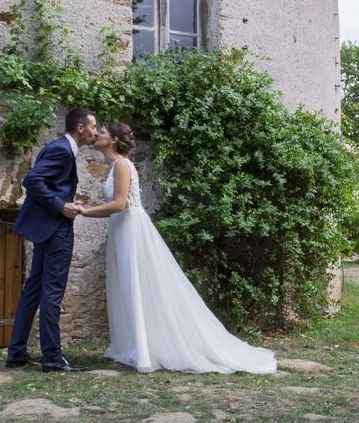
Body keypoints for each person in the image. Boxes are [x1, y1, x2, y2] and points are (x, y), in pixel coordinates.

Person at [79, 122, 277, 374]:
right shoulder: (113, 166)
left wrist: (85, 211)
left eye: (103, 132)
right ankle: (134, 345)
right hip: (121, 229)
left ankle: (145, 349)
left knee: (138, 285)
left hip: (131, 228)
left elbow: (119, 204)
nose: (97, 134)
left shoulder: (121, 165)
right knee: (127, 286)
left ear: (115, 139)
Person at [6, 108, 98, 372]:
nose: (96, 131)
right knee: (52, 293)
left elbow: (47, 182)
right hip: (56, 229)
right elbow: (32, 180)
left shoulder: (58, 147)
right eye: (93, 126)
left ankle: (17, 352)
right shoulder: (62, 150)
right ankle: (52, 357)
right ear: (80, 128)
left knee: (33, 290)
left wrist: (66, 202)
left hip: (47, 228)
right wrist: (61, 206)